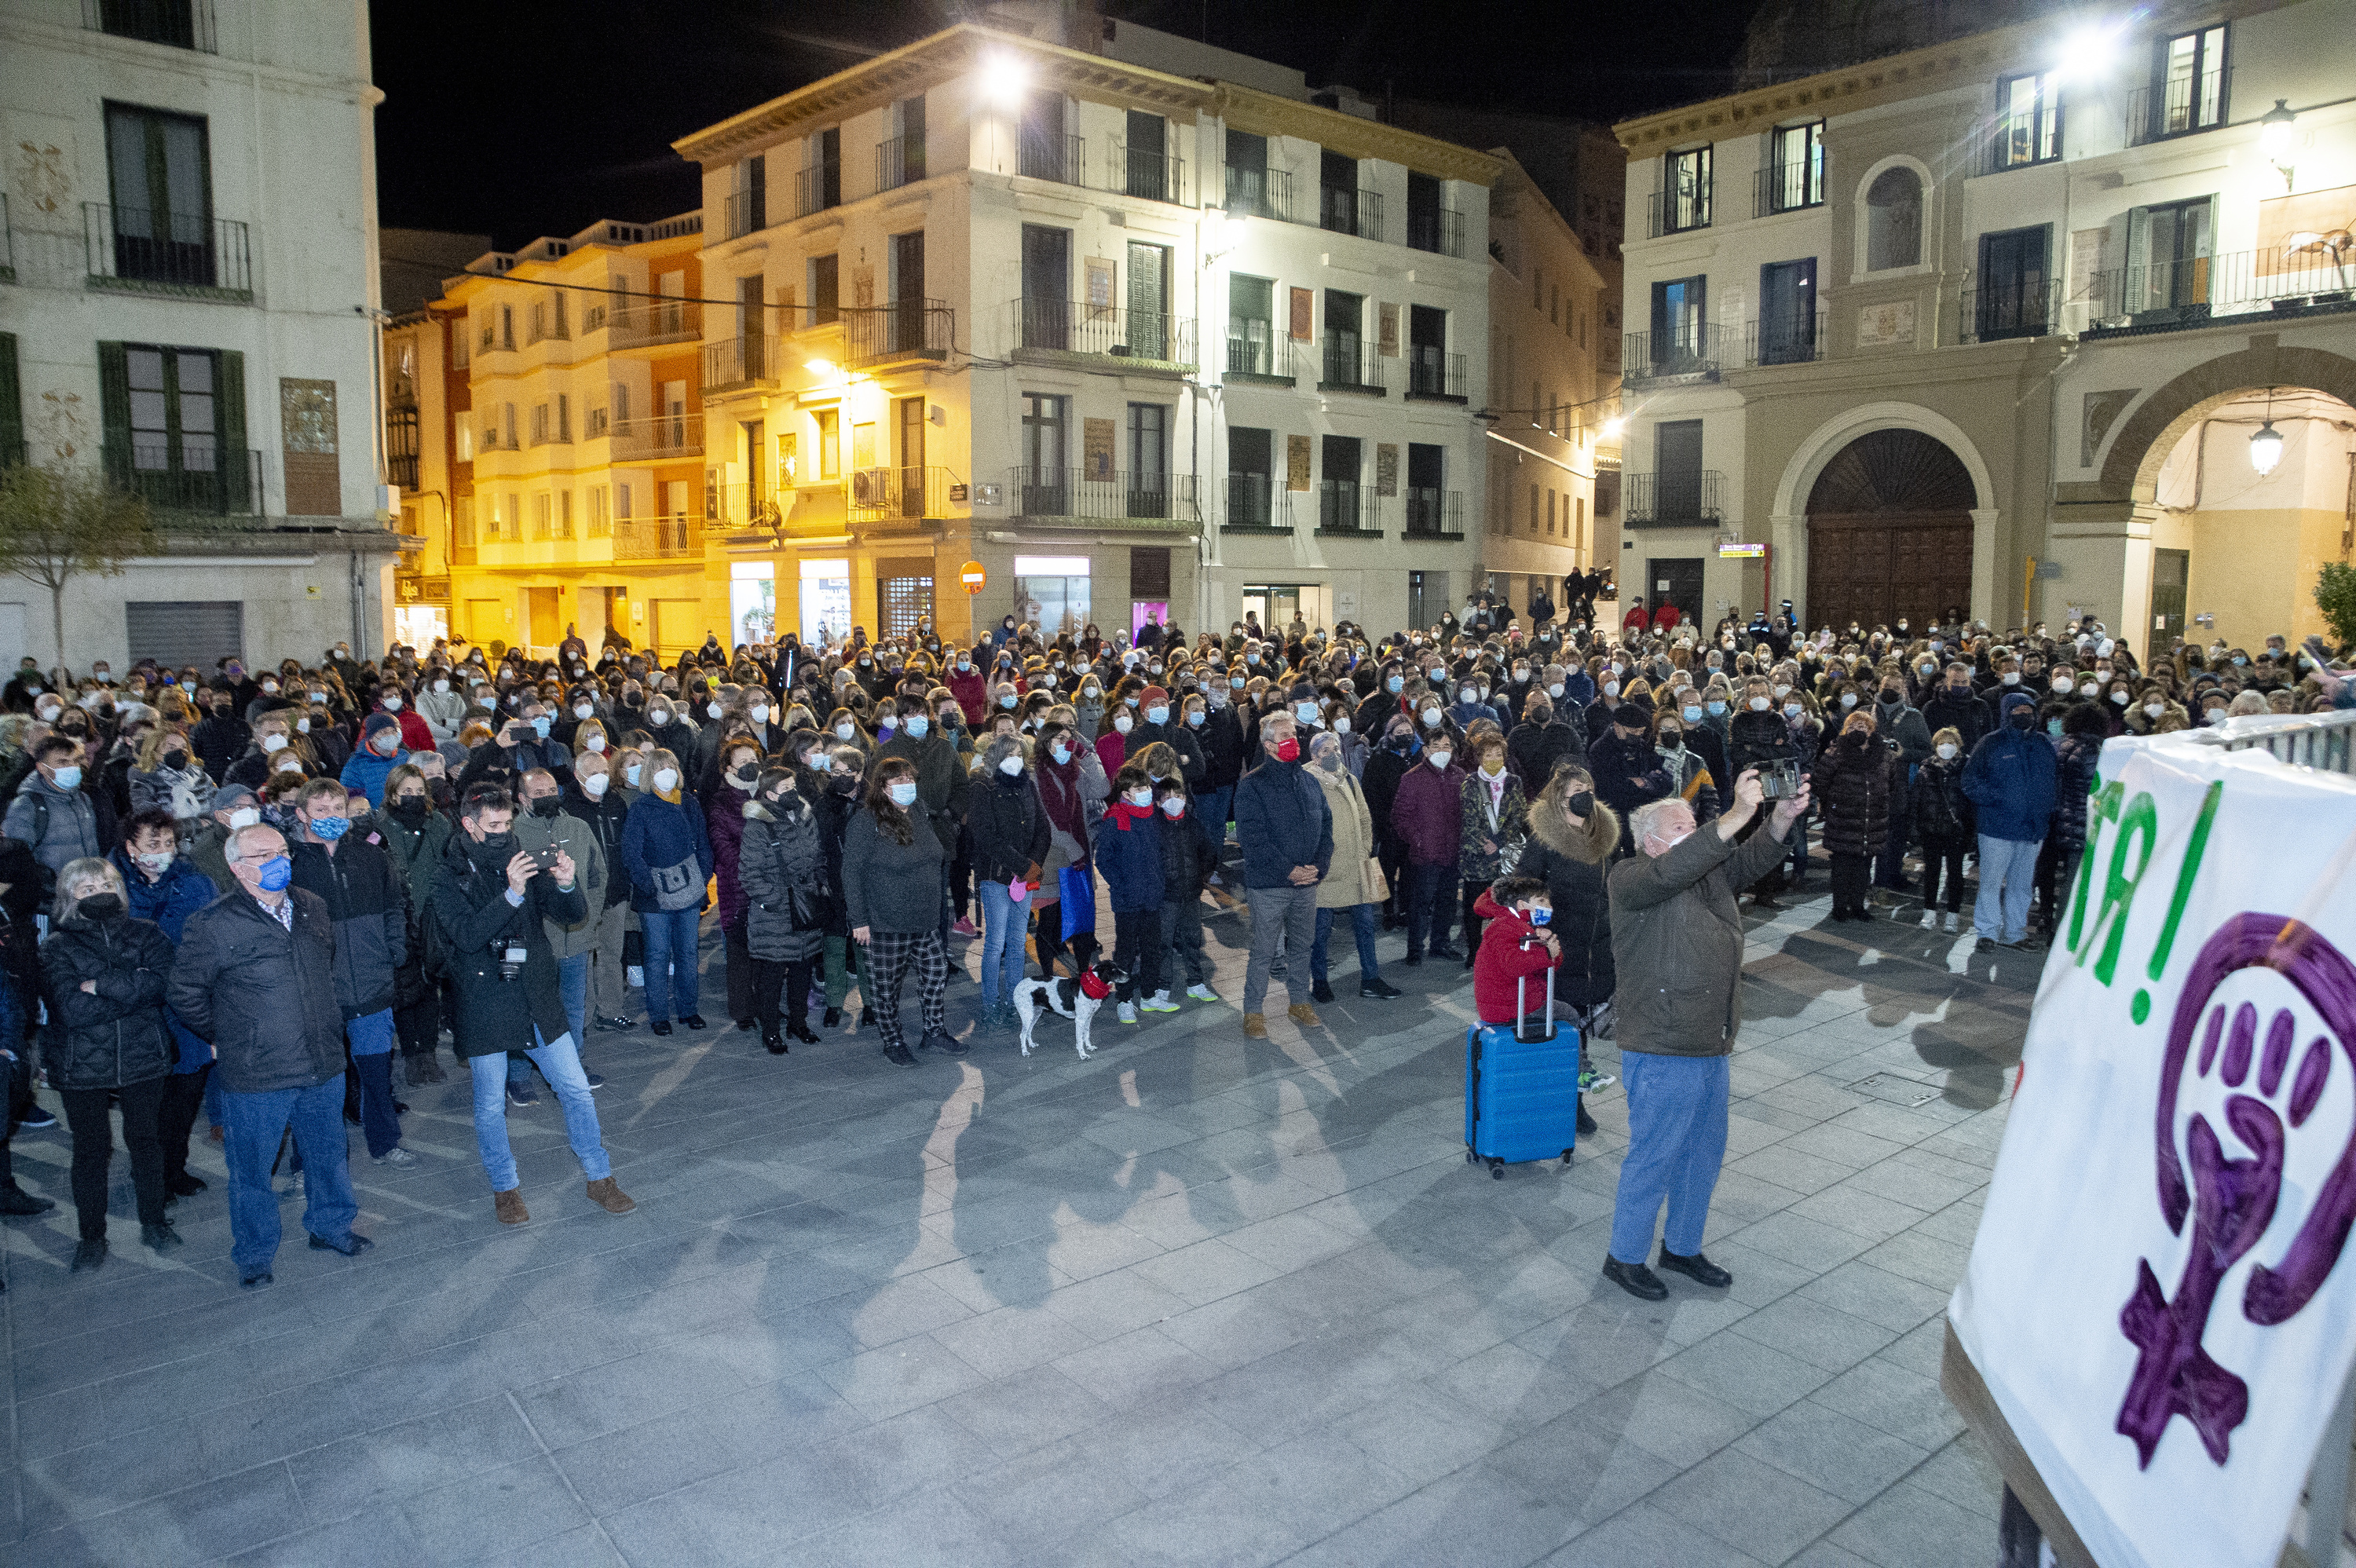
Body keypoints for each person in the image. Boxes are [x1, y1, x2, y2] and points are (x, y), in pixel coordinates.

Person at [1602, 769, 1812, 1301]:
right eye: (1683, 825)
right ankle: (1624, 1256)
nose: (1695, 832)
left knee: (1703, 1152)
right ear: (1651, 840)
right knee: (1655, 1153)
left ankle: (1682, 1245)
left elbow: (1745, 860)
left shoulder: (1705, 875)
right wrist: (1737, 815)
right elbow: (1682, 865)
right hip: (1663, 1041)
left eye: (1696, 823)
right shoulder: (1630, 878)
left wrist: (1780, 818)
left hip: (1710, 1037)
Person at [169, 823, 370, 1289]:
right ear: (238, 869)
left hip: (322, 1061)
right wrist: (226, 1034)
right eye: (263, 855)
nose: (279, 860)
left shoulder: (311, 906)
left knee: (327, 1156)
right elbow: (184, 991)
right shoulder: (214, 923)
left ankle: (332, 1227)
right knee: (253, 1171)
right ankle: (255, 1254)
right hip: (258, 1072)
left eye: (282, 850)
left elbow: (327, 964)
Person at [430, 784, 633, 1225]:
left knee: (576, 1088)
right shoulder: (448, 876)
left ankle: (600, 1177)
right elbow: (466, 936)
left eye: (509, 824)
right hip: (485, 1001)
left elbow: (571, 914)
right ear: (469, 824)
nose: (504, 833)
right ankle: (505, 1188)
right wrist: (511, 894)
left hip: (536, 995)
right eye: (494, 826)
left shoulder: (524, 857)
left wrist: (564, 885)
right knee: (489, 1104)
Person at [42, 857, 181, 1270]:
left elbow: (164, 983)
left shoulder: (146, 932)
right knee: (90, 1150)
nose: (99, 892)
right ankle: (91, 1237)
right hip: (80, 1062)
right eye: (86, 889)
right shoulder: (55, 945)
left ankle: (154, 1222)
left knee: (147, 1142)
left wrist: (101, 986)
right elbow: (70, 1009)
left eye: (106, 883)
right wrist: (133, 988)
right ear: (69, 897)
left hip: (144, 1054)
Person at [285, 778, 415, 1166]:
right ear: (301, 814)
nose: (330, 817)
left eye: (337, 810)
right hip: (319, 992)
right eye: (320, 810)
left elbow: (396, 907)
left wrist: (394, 950)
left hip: (372, 984)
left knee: (377, 1072)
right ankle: (307, 1161)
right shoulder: (290, 863)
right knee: (318, 1081)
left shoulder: (371, 857)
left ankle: (386, 1142)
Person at [115, 810, 220, 1196]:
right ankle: (148, 1175)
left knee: (187, 1094)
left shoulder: (195, 884)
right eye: (153, 845)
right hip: (140, 1008)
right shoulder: (112, 887)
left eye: (169, 844)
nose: (163, 852)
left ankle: (175, 1168)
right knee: (148, 1100)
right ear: (131, 848)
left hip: (188, 1004)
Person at [842, 755, 957, 1064]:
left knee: (936, 974)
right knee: (886, 988)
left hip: (925, 919)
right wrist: (859, 920)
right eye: (899, 780)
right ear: (881, 786)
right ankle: (892, 1041)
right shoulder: (866, 822)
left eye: (910, 777)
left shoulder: (918, 811)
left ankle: (934, 1031)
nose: (908, 784)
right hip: (885, 922)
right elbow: (850, 872)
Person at [514, 768, 608, 1076]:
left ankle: (573, 1068)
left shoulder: (578, 827)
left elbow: (597, 875)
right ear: (522, 799)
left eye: (551, 791)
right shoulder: (513, 833)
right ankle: (519, 1076)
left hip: (577, 937)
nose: (546, 797)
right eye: (538, 794)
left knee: (573, 1008)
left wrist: (588, 915)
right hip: (537, 943)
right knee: (526, 1011)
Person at [619, 747, 713, 1036]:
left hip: (689, 890)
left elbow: (703, 843)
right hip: (655, 897)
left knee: (687, 952)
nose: (667, 771)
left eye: (671, 765)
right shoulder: (640, 807)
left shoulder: (689, 803)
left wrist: (702, 876)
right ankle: (658, 1013)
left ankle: (688, 1009)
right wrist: (650, 885)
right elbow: (631, 853)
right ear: (649, 774)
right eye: (659, 767)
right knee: (657, 954)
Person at [737, 765, 827, 1053]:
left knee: (803, 970)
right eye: (786, 789)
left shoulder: (805, 817)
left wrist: (818, 887)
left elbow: (817, 857)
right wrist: (776, 901)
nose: (793, 793)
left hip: (805, 907)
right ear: (770, 794)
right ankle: (771, 1030)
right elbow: (749, 874)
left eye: (793, 786)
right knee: (772, 976)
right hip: (774, 914)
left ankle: (798, 1023)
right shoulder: (758, 825)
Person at [1962, 691, 2058, 953]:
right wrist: (1996, 799)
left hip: (2032, 828)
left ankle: (2015, 932)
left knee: (2022, 884)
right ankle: (1987, 931)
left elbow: (2054, 782)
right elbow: (1970, 780)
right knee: (1991, 882)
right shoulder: (1991, 743)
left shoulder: (2043, 744)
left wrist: (2048, 809)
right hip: (1997, 827)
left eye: (2028, 710)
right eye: (2017, 711)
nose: (2023, 715)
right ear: (2006, 714)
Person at [1306, 729, 1398, 1003]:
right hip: (1326, 871)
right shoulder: (1308, 781)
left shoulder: (1350, 779)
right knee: (1320, 931)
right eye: (1325, 751)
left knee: (1366, 927)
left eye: (1335, 749)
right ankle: (1319, 981)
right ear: (1314, 756)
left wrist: (1365, 848)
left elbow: (1365, 816)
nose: (1332, 754)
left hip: (1357, 868)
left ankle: (1371, 979)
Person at [964, 735, 1048, 1031]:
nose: (1016, 758)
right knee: (996, 943)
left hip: (1024, 878)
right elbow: (985, 836)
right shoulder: (982, 786)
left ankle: (1015, 1001)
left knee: (1016, 943)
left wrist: (1033, 864)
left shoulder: (1027, 783)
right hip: (996, 876)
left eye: (1019, 753)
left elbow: (1042, 828)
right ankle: (991, 1003)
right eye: (1009, 753)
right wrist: (1023, 866)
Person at [1096, 764, 1169, 1023]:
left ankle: (1149, 996)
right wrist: (1121, 884)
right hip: (1128, 899)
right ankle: (1124, 1000)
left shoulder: (1152, 815)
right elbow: (1103, 859)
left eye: (1147, 787)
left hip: (1152, 896)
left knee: (1152, 948)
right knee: (1126, 951)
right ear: (1126, 793)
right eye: (1140, 789)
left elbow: (1161, 852)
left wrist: (1160, 881)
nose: (1146, 792)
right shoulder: (1116, 819)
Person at [1391, 723, 1465, 965]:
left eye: (1447, 746)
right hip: (1425, 855)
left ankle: (1440, 944)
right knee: (1420, 904)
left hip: (1452, 853)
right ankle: (1415, 949)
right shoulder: (1412, 779)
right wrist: (1419, 840)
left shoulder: (1459, 776)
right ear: (1426, 750)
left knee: (1447, 902)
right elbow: (1400, 817)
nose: (1442, 750)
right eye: (1436, 746)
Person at [1811, 711, 1893, 922]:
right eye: (1854, 726)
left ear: (1872, 730)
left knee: (1863, 865)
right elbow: (1820, 781)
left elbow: (1891, 782)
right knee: (1842, 865)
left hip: (1871, 819)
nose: (1859, 730)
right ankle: (1839, 907)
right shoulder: (1835, 752)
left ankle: (1858, 905)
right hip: (1843, 819)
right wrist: (1834, 802)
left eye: (1864, 726)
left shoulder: (1882, 754)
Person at [1153, 773, 1221, 1003]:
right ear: (1158, 802)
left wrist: (1200, 876)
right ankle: (1163, 985)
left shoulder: (1193, 824)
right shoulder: (1154, 827)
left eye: (1178, 795)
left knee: (1192, 939)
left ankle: (1196, 981)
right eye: (1167, 796)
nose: (1174, 799)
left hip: (1191, 893)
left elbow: (1208, 852)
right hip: (1166, 896)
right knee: (1163, 941)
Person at [1469, 875, 1558, 1030]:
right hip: (1510, 1007)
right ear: (1522, 904)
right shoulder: (1506, 926)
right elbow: (1513, 965)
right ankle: (1577, 1055)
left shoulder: (1521, 924)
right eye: (1542, 901)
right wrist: (1547, 954)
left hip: (1515, 1001)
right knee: (1570, 1015)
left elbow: (1544, 967)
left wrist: (1549, 949)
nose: (1549, 907)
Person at [1913, 728, 1974, 934]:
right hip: (1932, 828)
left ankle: (1952, 915)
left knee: (1955, 873)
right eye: (1942, 742)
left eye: (1951, 742)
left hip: (1956, 830)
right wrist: (1916, 827)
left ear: (1958, 745)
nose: (1946, 746)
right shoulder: (1926, 769)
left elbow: (1971, 802)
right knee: (1932, 872)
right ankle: (1929, 911)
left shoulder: (1967, 768)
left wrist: (1969, 828)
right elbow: (1917, 800)